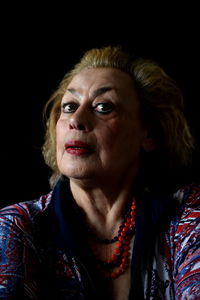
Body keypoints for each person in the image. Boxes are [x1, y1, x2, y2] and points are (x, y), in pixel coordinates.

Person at [0, 46, 199, 300]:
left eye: (103, 107)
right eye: (70, 106)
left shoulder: (186, 216)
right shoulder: (16, 227)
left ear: (148, 133)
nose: (77, 119)